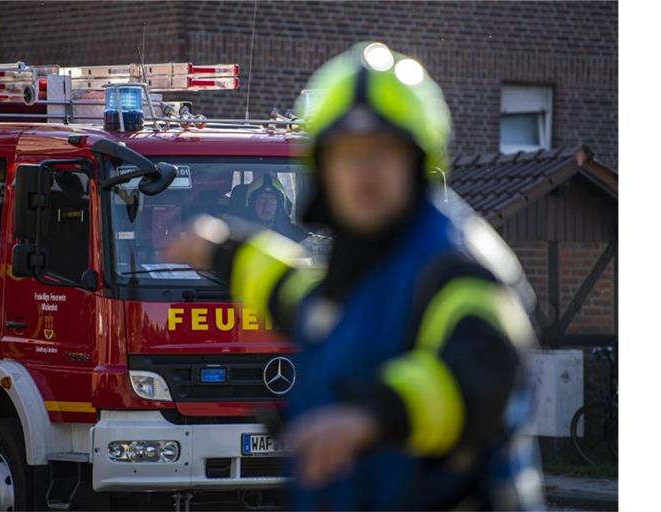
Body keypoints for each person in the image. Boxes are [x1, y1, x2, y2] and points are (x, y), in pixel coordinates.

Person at [166, 42, 543, 511]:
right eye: (347, 154)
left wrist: (373, 416)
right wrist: (223, 251)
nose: (364, 172)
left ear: (417, 160)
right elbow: (304, 301)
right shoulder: (364, 265)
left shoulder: (457, 265)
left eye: (382, 151)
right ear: (322, 169)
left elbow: (483, 369)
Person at [244, 173, 309, 242]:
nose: (267, 205)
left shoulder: (297, 235)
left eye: (272, 200)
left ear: (279, 205)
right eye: (262, 199)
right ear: (252, 204)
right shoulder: (239, 234)